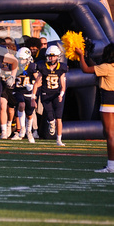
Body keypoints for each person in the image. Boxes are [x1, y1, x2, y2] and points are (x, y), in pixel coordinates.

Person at [76, 44, 114, 172]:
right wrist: (88, 57)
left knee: (110, 135)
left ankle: (111, 166)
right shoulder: (106, 67)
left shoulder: (107, 67)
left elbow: (86, 69)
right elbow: (95, 67)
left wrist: (81, 56)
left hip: (108, 102)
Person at [32, 45, 68, 146]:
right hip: (46, 93)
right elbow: (37, 83)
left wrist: (61, 93)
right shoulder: (43, 67)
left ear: (58, 56)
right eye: (50, 56)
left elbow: (63, 83)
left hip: (57, 94)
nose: (51, 58)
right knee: (49, 114)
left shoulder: (62, 67)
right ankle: (51, 123)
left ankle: (59, 140)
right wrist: (33, 97)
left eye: (53, 56)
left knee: (59, 118)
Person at [10, 47, 39, 143]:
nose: (21, 61)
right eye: (20, 59)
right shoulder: (15, 65)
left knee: (30, 115)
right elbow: (11, 75)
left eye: (23, 59)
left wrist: (33, 84)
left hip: (29, 92)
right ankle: (22, 128)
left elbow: (39, 79)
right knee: (21, 105)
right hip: (18, 90)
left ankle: (29, 131)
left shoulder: (32, 66)